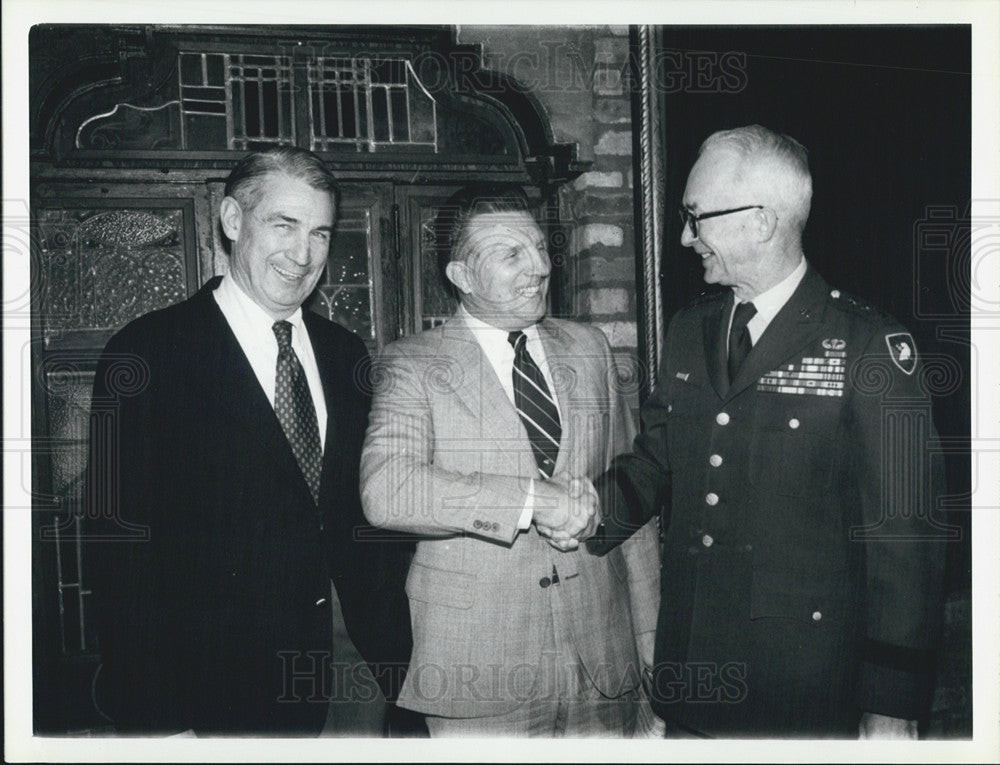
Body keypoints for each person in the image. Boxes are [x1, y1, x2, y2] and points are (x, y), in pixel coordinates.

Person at [588, 125, 947, 738]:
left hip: (805, 691)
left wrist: (892, 699)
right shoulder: (689, 328)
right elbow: (656, 459)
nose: (684, 237)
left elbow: (905, 538)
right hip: (694, 676)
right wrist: (585, 511)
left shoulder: (867, 345)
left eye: (696, 217)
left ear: (760, 221)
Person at [86, 147, 418, 736]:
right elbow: (120, 552)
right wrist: (158, 722)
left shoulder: (344, 354)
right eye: (283, 226)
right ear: (234, 221)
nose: (303, 254)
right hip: (220, 693)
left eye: (319, 232)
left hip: (356, 675)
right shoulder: (147, 354)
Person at [360, 185, 661, 736]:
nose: (540, 267)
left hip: (604, 655)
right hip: (479, 670)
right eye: (511, 254)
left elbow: (632, 498)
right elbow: (389, 489)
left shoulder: (589, 349)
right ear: (462, 275)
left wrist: (649, 645)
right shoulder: (411, 364)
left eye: (541, 249)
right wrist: (532, 500)